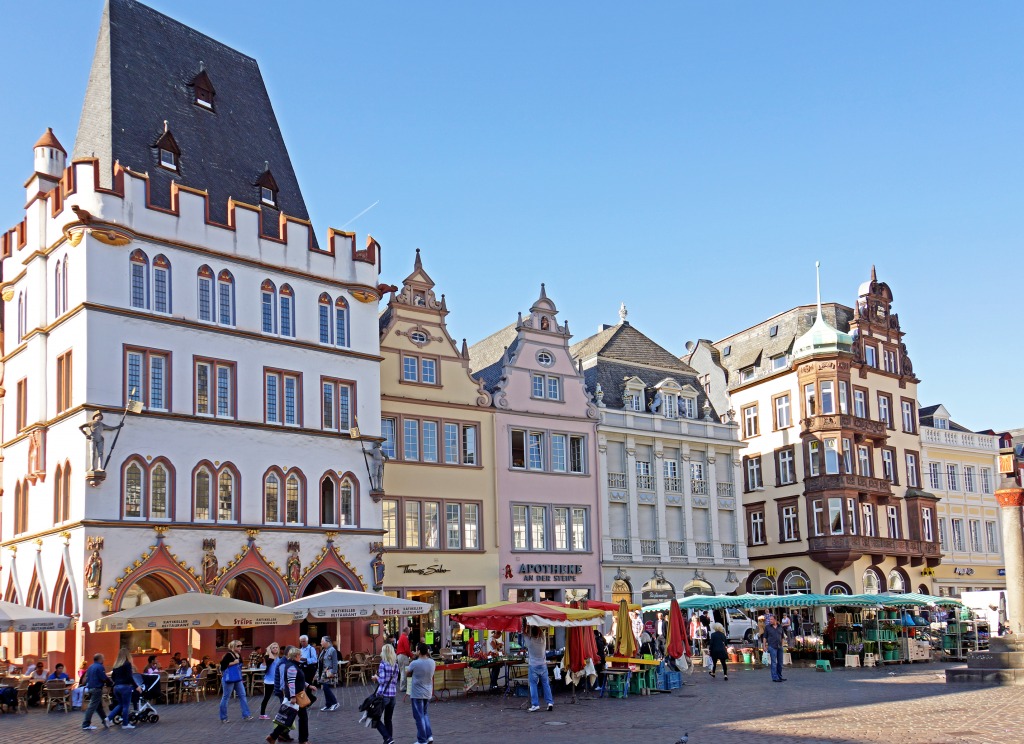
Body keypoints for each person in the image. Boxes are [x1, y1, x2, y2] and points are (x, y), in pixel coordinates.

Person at [267, 647, 314, 744]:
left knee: (288, 718)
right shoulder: (292, 667)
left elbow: (298, 679)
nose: (301, 656)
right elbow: (291, 682)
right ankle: (303, 740)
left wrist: (308, 685)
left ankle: (273, 736)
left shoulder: (293, 665)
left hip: (295, 695)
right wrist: (292, 697)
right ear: (296, 656)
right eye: (300, 655)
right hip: (296, 696)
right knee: (302, 718)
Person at [106, 648, 142, 730]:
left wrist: (116, 682)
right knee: (126, 706)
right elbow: (130, 677)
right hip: (125, 687)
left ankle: (108, 718)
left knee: (120, 704)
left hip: (116, 687)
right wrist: (136, 686)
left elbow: (113, 677)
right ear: (127, 655)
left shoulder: (116, 665)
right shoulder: (127, 664)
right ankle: (125, 723)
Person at [219, 639, 253, 722]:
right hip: (229, 679)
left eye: (241, 646)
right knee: (226, 697)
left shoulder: (238, 655)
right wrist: (234, 662)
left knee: (243, 695)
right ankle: (223, 717)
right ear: (233, 646)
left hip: (237, 678)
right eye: (238, 646)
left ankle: (246, 715)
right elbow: (222, 666)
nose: (240, 647)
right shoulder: (228, 655)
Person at [371, 643, 399, 744]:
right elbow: (395, 681)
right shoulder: (395, 665)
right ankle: (389, 739)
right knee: (388, 719)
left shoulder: (383, 664)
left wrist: (375, 677)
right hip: (392, 695)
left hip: (383, 695)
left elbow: (382, 680)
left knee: (375, 717)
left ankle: (387, 737)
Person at [407, 643, 435, 744]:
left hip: (417, 693)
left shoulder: (415, 663)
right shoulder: (432, 662)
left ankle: (422, 739)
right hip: (427, 692)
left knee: (419, 717)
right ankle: (429, 735)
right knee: (424, 714)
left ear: (418, 651)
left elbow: (407, 673)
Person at [524, 625, 553, 713]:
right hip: (543, 665)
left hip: (533, 665)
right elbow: (540, 631)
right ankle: (550, 703)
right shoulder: (543, 640)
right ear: (540, 632)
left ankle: (535, 704)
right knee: (546, 684)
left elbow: (523, 632)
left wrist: (527, 625)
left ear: (531, 633)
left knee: (533, 685)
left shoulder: (530, 642)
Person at [81, 653, 111, 730]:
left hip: (90, 688)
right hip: (97, 688)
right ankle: (86, 724)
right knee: (92, 707)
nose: (104, 660)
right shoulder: (100, 667)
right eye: (103, 658)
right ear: (100, 659)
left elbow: (86, 677)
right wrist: (111, 683)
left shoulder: (90, 667)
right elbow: (103, 677)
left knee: (98, 707)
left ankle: (105, 721)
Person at [258, 642, 282, 720]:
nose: (275, 649)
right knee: (267, 697)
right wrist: (268, 650)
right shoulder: (267, 657)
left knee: (281, 696)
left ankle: (283, 713)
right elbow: (270, 660)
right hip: (269, 680)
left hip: (277, 680)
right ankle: (262, 714)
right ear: (270, 649)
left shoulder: (279, 657)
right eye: (273, 647)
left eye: (276, 647)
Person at [317, 636, 339, 712]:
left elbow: (335, 662)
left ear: (327, 642)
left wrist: (333, 672)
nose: (321, 643)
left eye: (322, 641)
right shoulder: (323, 650)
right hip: (322, 672)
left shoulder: (332, 650)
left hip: (328, 672)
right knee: (325, 688)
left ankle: (335, 702)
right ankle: (328, 704)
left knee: (326, 687)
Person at [762, 613, 786, 683]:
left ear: (775, 620)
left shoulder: (780, 627)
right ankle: (775, 677)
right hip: (772, 646)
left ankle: (779, 676)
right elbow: (764, 637)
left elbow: (782, 636)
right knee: (774, 662)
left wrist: (782, 644)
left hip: (779, 646)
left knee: (780, 663)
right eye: (770, 619)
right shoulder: (767, 627)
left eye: (771, 619)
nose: (770, 621)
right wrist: (764, 646)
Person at [396, 626, 412, 690]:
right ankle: (403, 687)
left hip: (399, 656)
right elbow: (407, 649)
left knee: (402, 671)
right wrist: (411, 655)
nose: (410, 632)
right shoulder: (404, 638)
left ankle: (402, 686)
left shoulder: (401, 637)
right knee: (404, 672)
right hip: (403, 656)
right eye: (409, 631)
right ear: (407, 631)